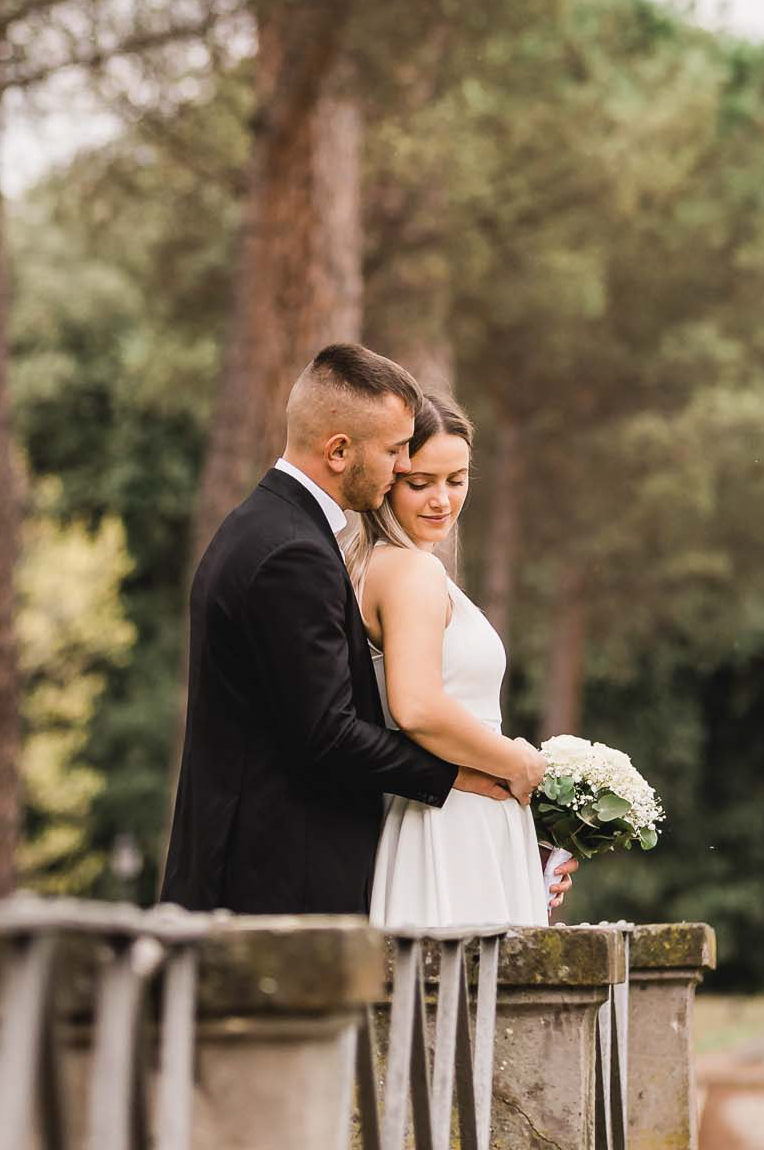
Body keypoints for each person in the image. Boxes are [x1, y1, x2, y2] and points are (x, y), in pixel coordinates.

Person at [160, 344, 520, 915]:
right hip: (272, 881)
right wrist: (459, 776)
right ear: (338, 451)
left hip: (261, 867)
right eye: (397, 452)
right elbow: (327, 732)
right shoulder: (292, 553)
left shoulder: (269, 528)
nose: (404, 467)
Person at [350, 392, 577, 929]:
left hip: (460, 814)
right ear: (389, 479)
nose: (442, 501)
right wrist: (521, 767)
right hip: (445, 822)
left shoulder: (404, 567)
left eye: (456, 479)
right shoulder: (408, 571)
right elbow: (418, 708)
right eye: (420, 483)